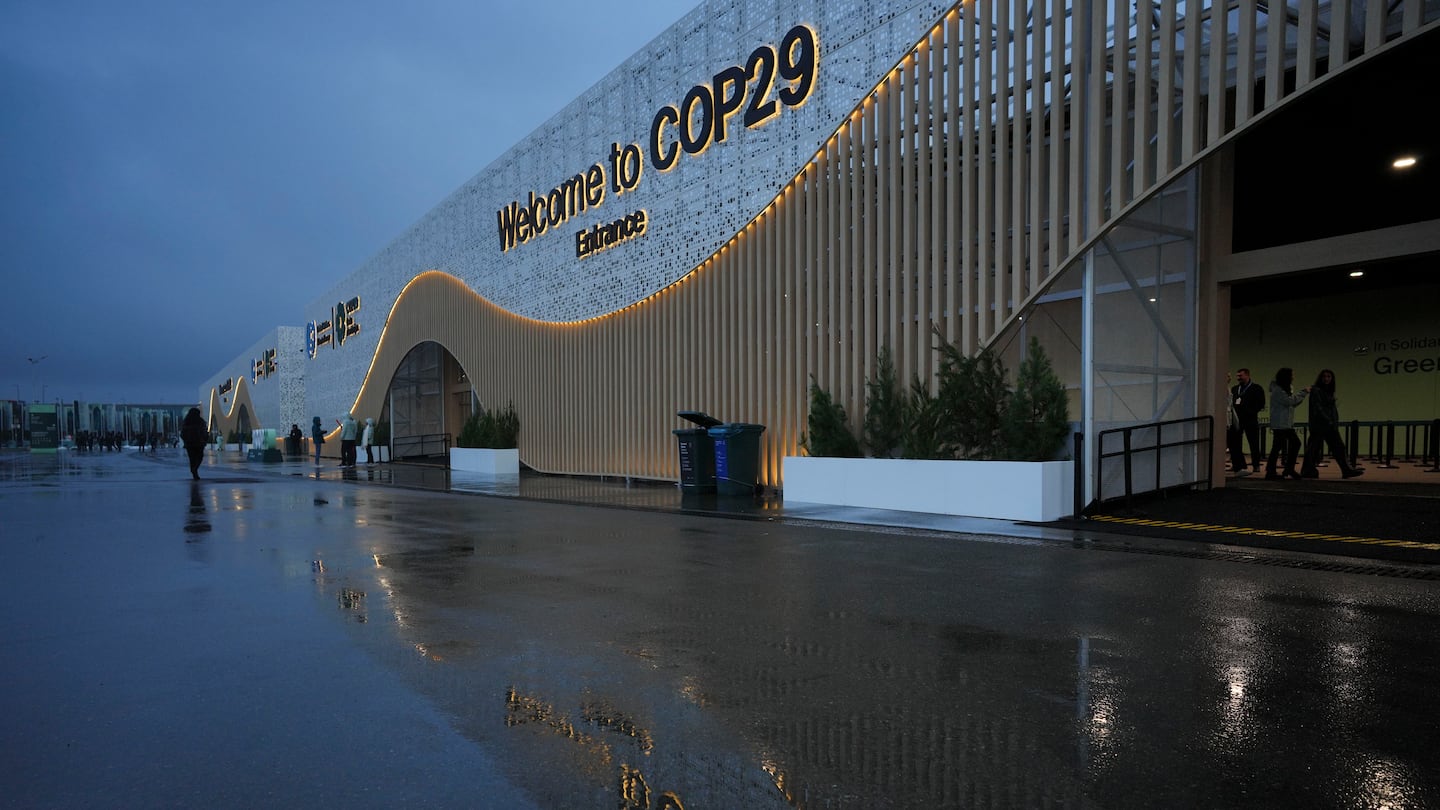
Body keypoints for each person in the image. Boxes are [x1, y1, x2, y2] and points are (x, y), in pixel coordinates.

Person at [1300, 369, 1363, 479]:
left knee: (1317, 448)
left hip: (1326, 424)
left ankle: (1309, 470)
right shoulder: (1317, 390)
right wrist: (1329, 420)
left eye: (1329, 376)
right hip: (1322, 425)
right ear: (1320, 378)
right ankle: (1345, 470)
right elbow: (1318, 408)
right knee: (1318, 448)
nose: (1326, 379)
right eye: (1324, 376)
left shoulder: (1327, 391)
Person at [1264, 368, 1307, 480]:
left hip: (1285, 424)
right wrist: (1303, 392)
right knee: (1284, 445)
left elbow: (1291, 403)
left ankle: (1282, 469)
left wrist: (1298, 398)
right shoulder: (1278, 390)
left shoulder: (1283, 389)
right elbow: (1289, 402)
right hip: (1280, 424)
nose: (1294, 377)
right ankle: (1273, 471)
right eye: (1292, 375)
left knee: (1282, 446)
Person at [1228, 368, 1265, 476]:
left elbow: (1261, 403)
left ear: (1247, 375)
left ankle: (1256, 465)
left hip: (1250, 420)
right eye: (1237, 376)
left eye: (1241, 376)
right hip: (1237, 421)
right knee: (1236, 444)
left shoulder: (1256, 388)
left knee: (1253, 443)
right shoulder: (1235, 389)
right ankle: (1239, 465)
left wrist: (1250, 412)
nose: (1238, 378)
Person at [180, 407, 208, 480]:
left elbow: (182, 434)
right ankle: (195, 469)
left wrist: (186, 441)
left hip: (190, 444)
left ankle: (194, 471)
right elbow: (204, 432)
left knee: (192, 459)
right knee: (199, 457)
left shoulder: (186, 422)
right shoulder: (200, 422)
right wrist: (204, 440)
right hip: (199, 444)